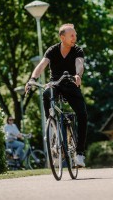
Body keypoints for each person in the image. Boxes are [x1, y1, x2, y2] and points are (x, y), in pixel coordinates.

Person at [25, 23, 88, 167]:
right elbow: (41, 65)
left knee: (82, 114)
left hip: (71, 84)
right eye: (72, 35)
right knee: (47, 93)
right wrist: (32, 79)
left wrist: (78, 75)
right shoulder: (52, 50)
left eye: (75, 35)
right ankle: (51, 124)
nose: (75, 38)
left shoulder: (77, 50)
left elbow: (80, 64)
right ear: (62, 37)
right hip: (56, 83)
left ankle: (79, 154)